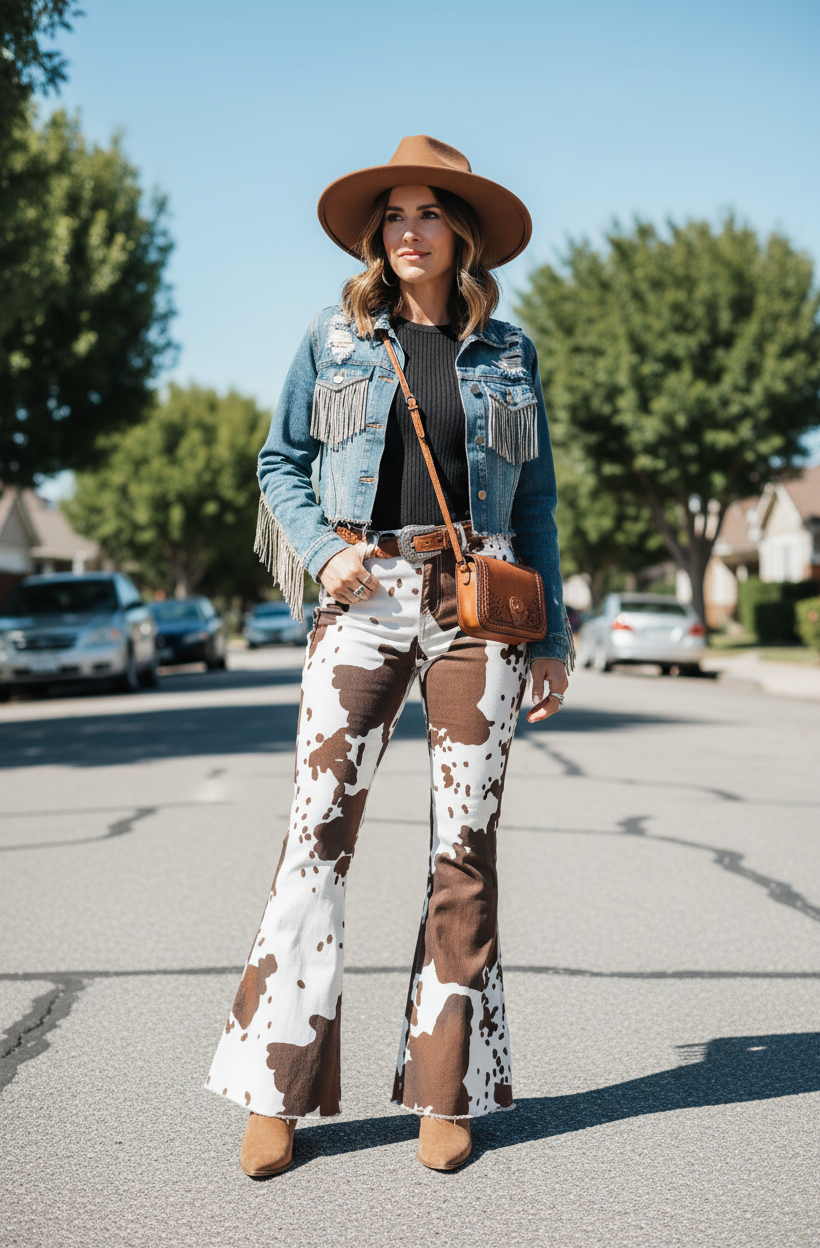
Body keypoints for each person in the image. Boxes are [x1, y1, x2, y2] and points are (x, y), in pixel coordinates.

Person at [205, 135, 573, 1175]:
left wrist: (551, 634)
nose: (410, 231)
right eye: (395, 215)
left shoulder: (510, 353)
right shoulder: (334, 337)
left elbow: (536, 503)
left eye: (429, 213)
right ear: (378, 236)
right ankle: (274, 1087)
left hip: (477, 609)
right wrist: (323, 553)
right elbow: (279, 461)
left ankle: (446, 1090)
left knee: (465, 848)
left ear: (462, 234)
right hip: (363, 599)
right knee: (314, 838)